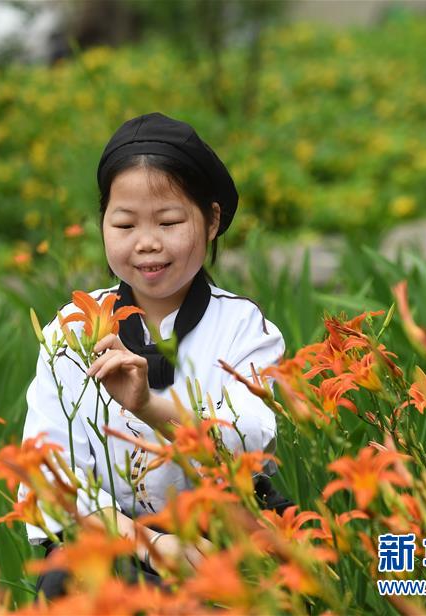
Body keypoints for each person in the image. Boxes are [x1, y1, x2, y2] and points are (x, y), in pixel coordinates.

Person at [20, 113, 291, 598]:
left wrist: (149, 406)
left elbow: (250, 441)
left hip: (224, 537)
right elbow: (47, 472)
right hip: (112, 542)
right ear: (103, 223)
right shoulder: (71, 329)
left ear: (210, 221)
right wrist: (147, 542)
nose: (147, 242)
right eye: (124, 223)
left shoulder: (242, 327)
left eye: (168, 221)